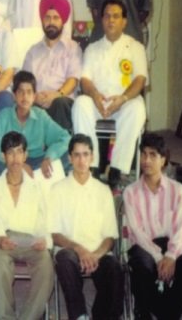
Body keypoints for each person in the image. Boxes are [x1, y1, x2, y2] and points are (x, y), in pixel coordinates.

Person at [72, 0, 147, 186]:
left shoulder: (136, 47)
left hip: (123, 103)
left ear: (124, 21)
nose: (111, 20)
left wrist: (123, 98)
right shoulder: (92, 48)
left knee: (137, 107)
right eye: (107, 16)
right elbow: (85, 80)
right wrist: (95, 96)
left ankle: (117, 169)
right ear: (101, 20)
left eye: (116, 16)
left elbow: (140, 80)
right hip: (98, 102)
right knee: (80, 104)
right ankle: (92, 165)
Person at [49, 133, 123, 320]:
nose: (81, 160)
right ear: (70, 158)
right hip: (70, 251)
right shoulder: (57, 189)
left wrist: (94, 255)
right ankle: (79, 315)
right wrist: (79, 250)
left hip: (98, 252)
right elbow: (55, 234)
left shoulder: (103, 190)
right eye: (76, 155)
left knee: (114, 268)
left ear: (92, 157)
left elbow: (110, 237)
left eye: (85, 154)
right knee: (64, 260)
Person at [0, 131, 54, 320]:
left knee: (46, 266)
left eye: (19, 152)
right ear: (3, 156)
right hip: (7, 240)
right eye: (10, 152)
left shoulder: (37, 187)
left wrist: (44, 240)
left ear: (25, 155)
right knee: (0, 264)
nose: (15, 158)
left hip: (32, 240)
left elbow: (44, 220)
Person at [124, 133, 182, 320]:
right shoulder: (130, 192)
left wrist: (171, 256)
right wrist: (159, 257)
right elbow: (136, 231)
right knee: (142, 268)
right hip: (143, 246)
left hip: (172, 245)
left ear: (163, 159)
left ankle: (165, 313)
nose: (146, 160)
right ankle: (147, 312)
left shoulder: (178, 190)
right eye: (144, 154)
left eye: (153, 155)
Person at [0, 71, 70, 178]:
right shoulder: (6, 115)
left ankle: (32, 178)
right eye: (21, 92)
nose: (25, 97)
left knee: (69, 152)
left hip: (37, 163)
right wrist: (18, 163)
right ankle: (19, 177)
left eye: (29, 92)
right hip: (12, 161)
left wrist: (49, 157)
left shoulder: (41, 116)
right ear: (14, 96)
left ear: (34, 96)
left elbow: (64, 137)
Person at [22, 0, 82, 132]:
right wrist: (34, 97)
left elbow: (72, 81)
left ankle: (59, 146)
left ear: (63, 21)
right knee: (25, 107)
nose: (51, 22)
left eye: (56, 18)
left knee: (60, 103)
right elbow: (25, 82)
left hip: (62, 103)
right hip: (37, 103)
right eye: (47, 17)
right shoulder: (33, 51)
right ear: (42, 21)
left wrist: (56, 95)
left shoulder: (73, 48)